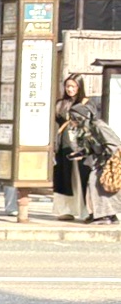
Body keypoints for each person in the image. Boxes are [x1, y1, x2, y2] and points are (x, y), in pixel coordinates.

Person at [67, 102, 121, 224]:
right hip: (100, 162)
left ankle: (104, 216)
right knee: (95, 185)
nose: (73, 120)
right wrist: (79, 154)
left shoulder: (99, 126)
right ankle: (104, 214)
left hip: (109, 161)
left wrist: (109, 161)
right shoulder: (87, 129)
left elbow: (114, 144)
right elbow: (91, 147)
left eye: (75, 118)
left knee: (98, 184)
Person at [54, 73, 90, 219]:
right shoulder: (60, 104)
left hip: (82, 145)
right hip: (64, 144)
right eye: (68, 86)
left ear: (79, 87)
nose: (70, 89)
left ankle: (87, 211)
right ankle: (65, 210)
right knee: (64, 177)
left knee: (83, 177)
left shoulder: (87, 103)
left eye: (73, 86)